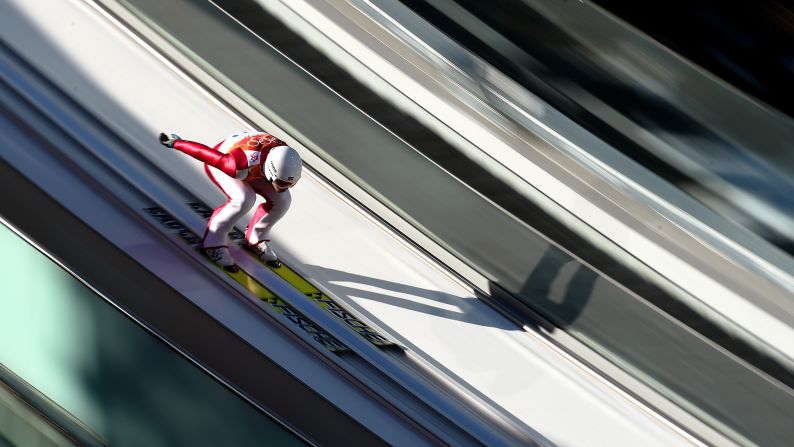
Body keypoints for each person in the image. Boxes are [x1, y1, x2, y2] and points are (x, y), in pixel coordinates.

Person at [159, 130, 302, 272]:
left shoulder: (283, 155)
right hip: (227, 160)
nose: (285, 187)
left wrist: (281, 182)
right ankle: (212, 243)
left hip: (258, 163)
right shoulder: (236, 164)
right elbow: (203, 153)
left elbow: (280, 178)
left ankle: (256, 237)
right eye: (282, 183)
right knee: (244, 199)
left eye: (291, 184)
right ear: (271, 171)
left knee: (284, 200)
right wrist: (176, 143)